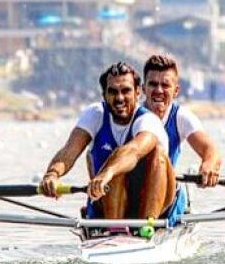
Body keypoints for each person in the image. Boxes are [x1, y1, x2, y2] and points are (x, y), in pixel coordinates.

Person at [40, 61, 176, 220]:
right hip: (107, 198)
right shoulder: (95, 114)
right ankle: (114, 227)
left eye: (126, 91)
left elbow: (133, 152)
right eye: (113, 91)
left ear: (138, 92)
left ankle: (148, 226)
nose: (119, 98)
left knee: (149, 153)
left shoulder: (148, 120)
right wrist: (52, 174)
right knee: (115, 164)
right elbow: (69, 151)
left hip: (151, 201)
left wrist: (107, 173)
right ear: (104, 95)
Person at [139, 53, 222, 190]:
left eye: (165, 85)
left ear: (176, 91)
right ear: (143, 88)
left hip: (167, 191)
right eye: (153, 84)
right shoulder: (132, 116)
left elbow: (211, 150)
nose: (159, 90)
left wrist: (209, 164)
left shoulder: (181, 117)